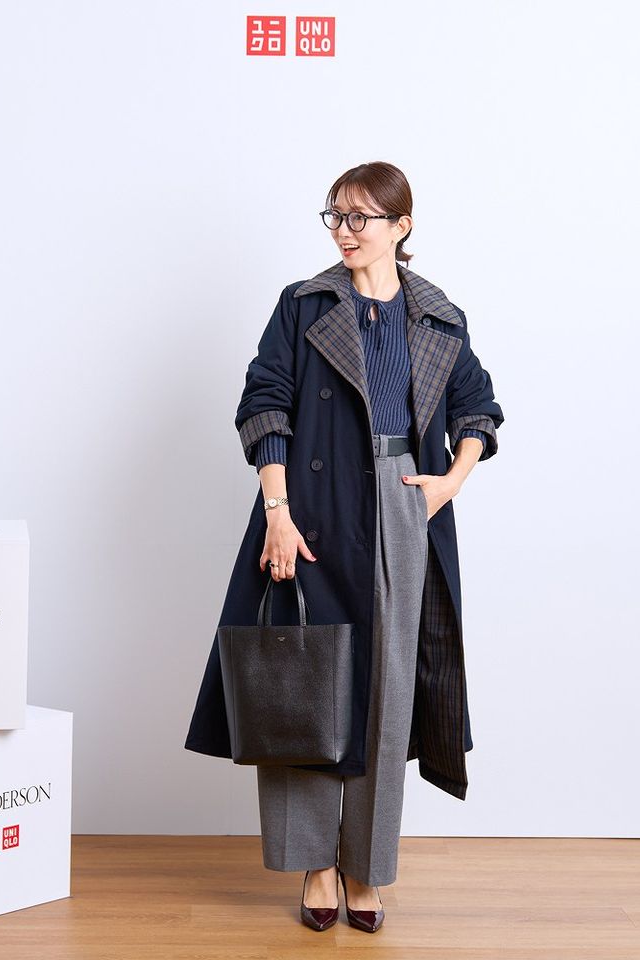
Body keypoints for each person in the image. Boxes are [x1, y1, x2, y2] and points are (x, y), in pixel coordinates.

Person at [184, 160, 504, 933]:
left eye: (362, 217)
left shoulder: (438, 316)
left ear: (402, 225)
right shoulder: (304, 305)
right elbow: (263, 403)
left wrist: (448, 483)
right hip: (311, 508)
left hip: (402, 505)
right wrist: (277, 512)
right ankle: (315, 865)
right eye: (336, 215)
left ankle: (365, 867)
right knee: (305, 682)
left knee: (387, 693)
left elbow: (478, 408)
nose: (345, 231)